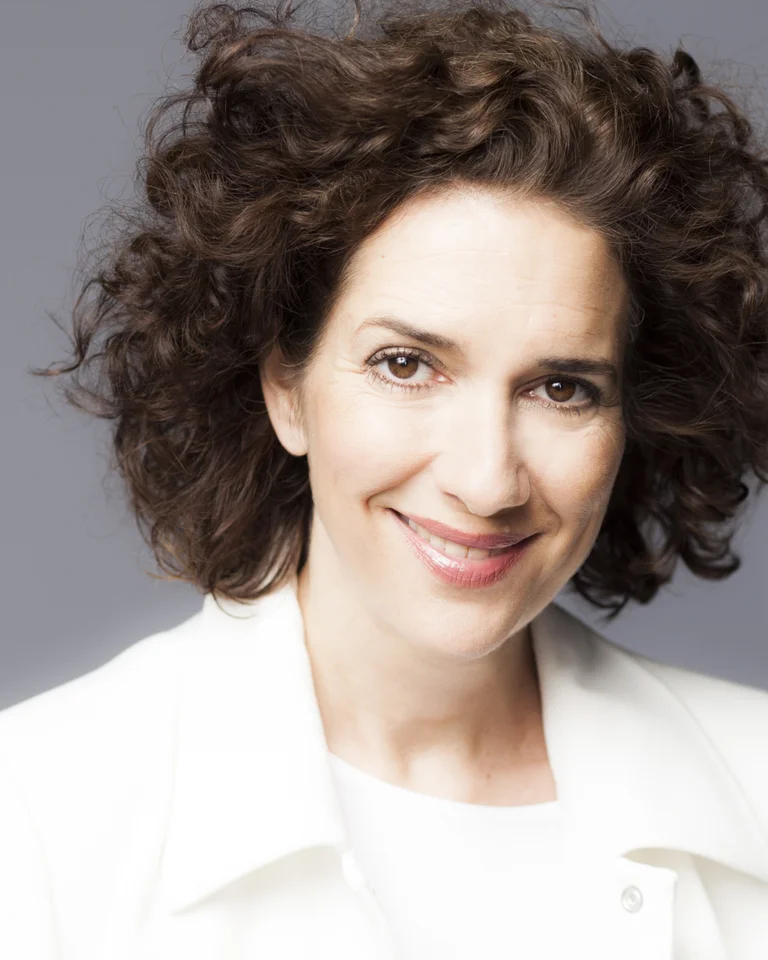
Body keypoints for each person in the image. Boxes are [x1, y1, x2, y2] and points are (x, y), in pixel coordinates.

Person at [3, 0, 768, 956]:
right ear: (286, 387)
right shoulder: (37, 818)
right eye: (407, 365)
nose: (486, 481)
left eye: (561, 387)